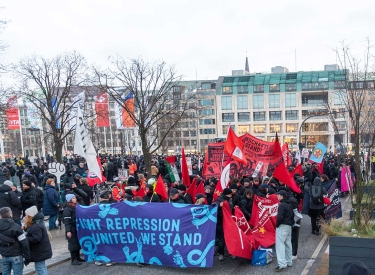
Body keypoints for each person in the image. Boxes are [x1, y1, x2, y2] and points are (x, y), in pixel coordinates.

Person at [0, 207, 30, 275]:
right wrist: (27, 257)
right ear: (10, 215)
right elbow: (24, 243)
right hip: (16, 255)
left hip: (3, 255)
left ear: (0, 216)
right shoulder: (16, 227)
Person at [23, 206, 52, 275]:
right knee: (42, 267)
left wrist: (25, 238)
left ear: (30, 216)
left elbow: (36, 238)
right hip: (41, 251)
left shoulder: (36, 226)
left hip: (39, 252)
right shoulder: (36, 223)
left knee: (40, 268)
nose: (25, 217)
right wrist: (25, 229)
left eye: (26, 215)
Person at [275, 190, 294, 272]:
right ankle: (289, 261)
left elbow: (280, 217)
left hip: (282, 226)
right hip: (289, 226)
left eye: (278, 195)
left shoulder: (282, 205)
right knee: (288, 244)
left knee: (280, 245)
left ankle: (282, 264)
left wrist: (277, 224)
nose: (277, 196)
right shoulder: (289, 204)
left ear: (282, 196)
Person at [63, 194, 84, 265]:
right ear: (70, 200)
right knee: (73, 244)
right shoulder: (67, 209)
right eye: (73, 198)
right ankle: (73, 259)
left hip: (77, 228)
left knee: (77, 243)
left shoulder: (76, 207)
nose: (75, 199)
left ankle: (78, 257)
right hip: (71, 228)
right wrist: (68, 231)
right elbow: (67, 222)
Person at [215, 188, 234, 261]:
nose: (231, 196)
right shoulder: (219, 200)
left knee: (230, 238)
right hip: (221, 222)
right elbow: (214, 207)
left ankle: (231, 252)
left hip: (229, 222)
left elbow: (231, 208)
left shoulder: (230, 200)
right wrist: (219, 206)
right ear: (227, 194)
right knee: (221, 239)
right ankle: (221, 253)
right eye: (230, 194)